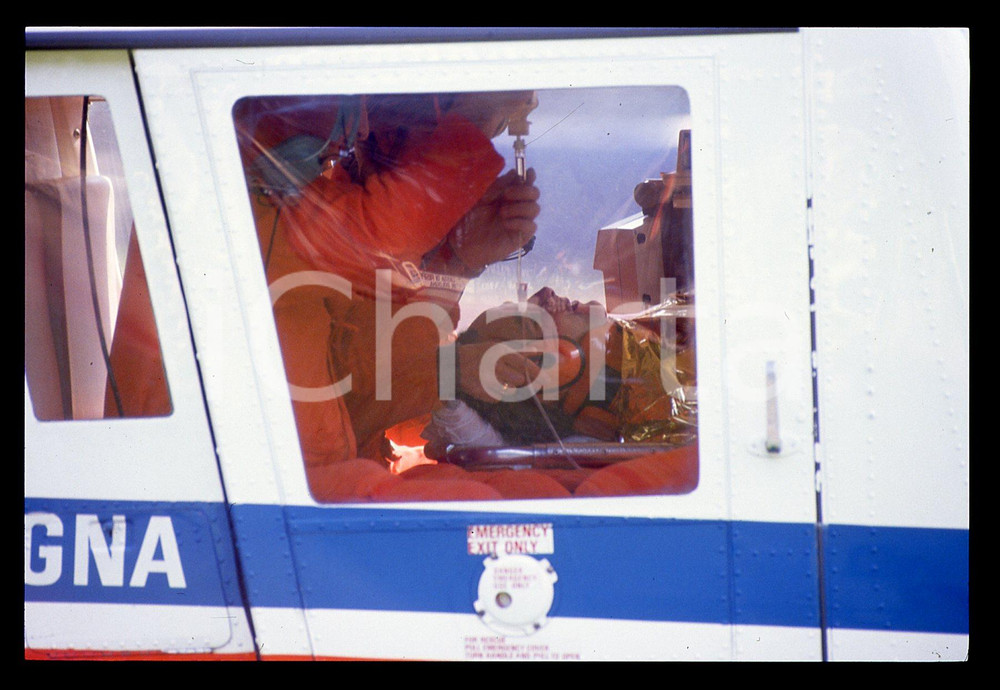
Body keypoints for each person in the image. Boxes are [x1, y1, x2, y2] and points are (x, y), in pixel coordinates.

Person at [234, 91, 545, 501]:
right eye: (349, 113)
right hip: (265, 501)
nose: (359, 131)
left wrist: (457, 263)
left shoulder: (299, 217)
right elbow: (382, 238)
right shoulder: (258, 212)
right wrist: (480, 114)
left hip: (299, 493)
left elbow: (359, 382)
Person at [419, 286, 699, 497]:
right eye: (531, 321)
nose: (545, 292)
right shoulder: (689, 417)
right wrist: (446, 369)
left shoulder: (680, 321)